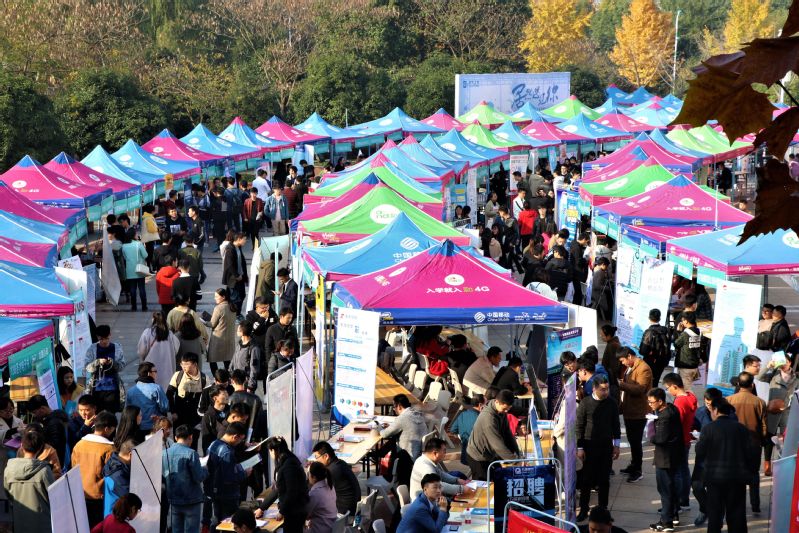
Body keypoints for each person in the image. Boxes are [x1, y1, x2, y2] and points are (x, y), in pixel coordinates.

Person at [695, 397, 757, 533]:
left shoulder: (708, 429)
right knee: (737, 514)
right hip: (737, 478)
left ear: (716, 410)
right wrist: (749, 473)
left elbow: (700, 451)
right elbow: (751, 453)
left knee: (715, 514)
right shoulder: (741, 429)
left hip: (714, 478)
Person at [576, 375, 620, 522]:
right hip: (589, 446)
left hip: (606, 446)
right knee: (586, 480)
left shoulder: (612, 403)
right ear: (594, 388)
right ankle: (584, 509)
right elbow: (579, 426)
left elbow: (616, 425)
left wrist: (616, 445)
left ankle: (603, 509)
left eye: (607, 389)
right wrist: (580, 447)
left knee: (604, 480)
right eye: (602, 389)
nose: (606, 392)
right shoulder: (585, 403)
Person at [727, 371, 766, 514]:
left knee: (734, 475)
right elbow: (763, 426)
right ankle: (755, 505)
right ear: (752, 385)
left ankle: (736, 504)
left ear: (738, 384)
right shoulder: (759, 402)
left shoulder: (729, 400)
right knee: (753, 474)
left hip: (733, 444)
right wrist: (762, 441)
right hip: (753, 444)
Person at [646, 388, 684, 532]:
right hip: (674, 455)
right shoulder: (672, 409)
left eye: (652, 402)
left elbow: (660, 439)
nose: (650, 405)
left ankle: (666, 522)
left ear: (660, 401)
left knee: (665, 489)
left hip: (665, 457)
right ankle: (673, 515)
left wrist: (650, 434)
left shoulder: (664, 417)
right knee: (671, 487)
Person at [3, 428, 55, 533]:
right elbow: (53, 496)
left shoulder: (9, 469)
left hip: (19, 519)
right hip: (42, 522)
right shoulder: (44, 470)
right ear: (40, 448)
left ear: (21, 446)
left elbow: (8, 493)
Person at [71, 411, 117, 527]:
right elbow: (111, 475)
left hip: (80, 493)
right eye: (113, 429)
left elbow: (73, 468)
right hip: (98, 496)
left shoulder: (79, 444)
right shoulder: (109, 449)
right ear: (107, 429)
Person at [257, 436, 308, 533]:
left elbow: (292, 492)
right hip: (292, 509)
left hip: (294, 511)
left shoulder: (289, 465)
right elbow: (278, 488)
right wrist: (262, 508)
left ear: (273, 450)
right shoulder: (286, 460)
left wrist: (282, 511)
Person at [465, 390, 520, 480]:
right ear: (497, 402)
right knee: (483, 485)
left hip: (490, 454)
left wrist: (518, 454)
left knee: (499, 478)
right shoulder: (488, 419)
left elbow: (508, 434)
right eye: (504, 409)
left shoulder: (501, 412)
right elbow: (497, 444)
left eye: (508, 409)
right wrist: (515, 460)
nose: (506, 411)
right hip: (478, 456)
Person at [616, 347, 652, 483]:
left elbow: (640, 389)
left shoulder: (644, 368)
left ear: (629, 356)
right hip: (629, 410)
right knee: (632, 440)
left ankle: (638, 470)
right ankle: (633, 465)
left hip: (638, 412)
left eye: (623, 360)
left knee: (636, 442)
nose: (623, 363)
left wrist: (621, 385)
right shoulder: (631, 367)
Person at [661, 373, 697, 510]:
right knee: (684, 470)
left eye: (668, 388)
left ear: (675, 386)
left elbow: (676, 422)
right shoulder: (690, 396)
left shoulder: (680, 402)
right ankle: (684, 500)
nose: (668, 391)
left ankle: (678, 503)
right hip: (686, 439)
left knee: (677, 473)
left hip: (679, 441)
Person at [163, 424, 207, 533]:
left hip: (174, 498)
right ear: (190, 437)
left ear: (175, 437)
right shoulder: (191, 453)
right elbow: (198, 477)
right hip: (191, 499)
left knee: (176, 530)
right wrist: (205, 469)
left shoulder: (164, 453)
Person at [757, 356, 796, 475]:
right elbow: (759, 376)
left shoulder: (796, 377)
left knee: (785, 439)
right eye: (781, 361)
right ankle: (767, 464)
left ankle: (783, 465)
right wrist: (768, 366)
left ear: (790, 362)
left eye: (786, 361)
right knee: (769, 438)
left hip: (787, 412)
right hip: (772, 410)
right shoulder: (774, 374)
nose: (784, 364)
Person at [205, 422, 248, 529]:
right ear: (235, 437)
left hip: (214, 490)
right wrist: (244, 473)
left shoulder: (213, 444)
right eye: (241, 439)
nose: (240, 442)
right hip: (228, 495)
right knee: (228, 525)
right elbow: (229, 477)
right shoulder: (227, 452)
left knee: (217, 522)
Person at [310, 441, 361, 516]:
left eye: (316, 457)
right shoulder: (340, 463)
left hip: (345, 511)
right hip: (353, 505)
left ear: (326, 456)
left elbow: (317, 490)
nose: (316, 460)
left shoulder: (331, 471)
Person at [167, 352, 207, 444]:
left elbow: (206, 399)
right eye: (182, 364)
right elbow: (169, 394)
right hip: (179, 416)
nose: (183, 367)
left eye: (186, 364)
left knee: (193, 441)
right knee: (178, 441)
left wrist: (202, 416)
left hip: (195, 417)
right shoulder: (178, 375)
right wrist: (173, 412)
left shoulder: (204, 378)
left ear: (195, 364)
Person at [85, 324, 126, 414]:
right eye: (101, 339)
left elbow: (122, 365)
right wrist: (98, 362)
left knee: (110, 415)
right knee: (98, 415)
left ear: (110, 335)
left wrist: (112, 363)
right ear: (97, 337)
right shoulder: (92, 349)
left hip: (112, 388)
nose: (104, 341)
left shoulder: (117, 348)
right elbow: (87, 367)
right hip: (97, 388)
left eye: (106, 338)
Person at [126, 362, 169, 442]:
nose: (156, 373)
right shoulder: (156, 388)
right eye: (155, 371)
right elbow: (165, 407)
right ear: (149, 373)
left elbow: (127, 410)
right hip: (153, 427)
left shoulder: (130, 391)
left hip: (136, 428)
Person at [137, 312, 180, 391]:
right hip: (168, 369)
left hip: (150, 368)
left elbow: (141, 351)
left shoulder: (147, 332)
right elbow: (176, 348)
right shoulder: (170, 334)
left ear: (153, 319)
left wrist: (143, 359)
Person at [380, 393, 427, 460]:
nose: (393, 409)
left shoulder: (402, 418)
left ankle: (378, 455)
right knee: (394, 436)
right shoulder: (418, 414)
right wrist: (391, 426)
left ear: (399, 406)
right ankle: (379, 454)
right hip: (419, 454)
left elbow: (384, 434)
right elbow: (407, 426)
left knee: (394, 438)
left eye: (394, 406)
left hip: (407, 457)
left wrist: (378, 428)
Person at [25, 394, 69, 466]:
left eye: (35, 412)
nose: (34, 415)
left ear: (42, 408)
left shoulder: (55, 423)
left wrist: (35, 438)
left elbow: (54, 444)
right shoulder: (45, 419)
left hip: (52, 462)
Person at [673, 311, 706, 392]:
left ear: (686, 321)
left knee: (686, 390)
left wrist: (679, 332)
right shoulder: (698, 332)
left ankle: (691, 400)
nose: (682, 322)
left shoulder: (686, 333)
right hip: (694, 364)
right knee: (687, 387)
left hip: (685, 364)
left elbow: (676, 344)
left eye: (683, 320)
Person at [638, 309, 671, 387]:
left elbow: (643, 350)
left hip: (651, 361)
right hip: (663, 360)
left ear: (649, 318)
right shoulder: (666, 330)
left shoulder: (649, 332)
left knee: (649, 383)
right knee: (656, 381)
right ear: (660, 318)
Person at [208, 288, 237, 374]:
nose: (215, 298)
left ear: (223, 297)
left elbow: (212, 324)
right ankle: (228, 378)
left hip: (218, 339)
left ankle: (217, 378)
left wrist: (204, 321)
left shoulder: (219, 308)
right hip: (229, 338)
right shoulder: (232, 306)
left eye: (217, 296)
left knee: (212, 360)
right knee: (227, 360)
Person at [448, 395, 483, 465]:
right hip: (478, 457)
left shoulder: (462, 414)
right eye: (486, 404)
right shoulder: (482, 417)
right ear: (480, 405)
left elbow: (453, 430)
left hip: (465, 455)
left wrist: (461, 435)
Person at [304, 461, 338, 533]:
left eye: (309, 473)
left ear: (314, 477)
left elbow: (305, 515)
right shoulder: (330, 486)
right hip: (331, 526)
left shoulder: (315, 493)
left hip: (321, 529)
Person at [229, 369, 264, 436]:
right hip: (254, 434)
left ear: (232, 381)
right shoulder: (256, 399)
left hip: (235, 435)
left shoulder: (229, 399)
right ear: (246, 380)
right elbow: (260, 418)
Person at [231, 321, 261, 393]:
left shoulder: (254, 348)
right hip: (236, 381)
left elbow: (254, 368)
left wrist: (250, 386)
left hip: (246, 383)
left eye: (238, 330)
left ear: (243, 332)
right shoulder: (239, 344)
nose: (237, 331)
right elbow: (234, 360)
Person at [121, 232, 149, 311]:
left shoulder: (124, 246)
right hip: (139, 270)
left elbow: (125, 257)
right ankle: (144, 306)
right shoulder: (139, 244)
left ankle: (134, 306)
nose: (137, 235)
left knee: (132, 289)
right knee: (142, 288)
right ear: (133, 235)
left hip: (130, 270)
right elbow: (145, 255)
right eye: (136, 234)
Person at [102, 439, 133, 507]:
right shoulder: (118, 475)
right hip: (117, 511)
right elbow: (130, 498)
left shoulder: (113, 461)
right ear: (131, 455)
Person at [222, 232, 249, 312]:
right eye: (244, 239)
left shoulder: (238, 248)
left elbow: (242, 263)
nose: (245, 241)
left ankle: (237, 313)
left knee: (242, 295)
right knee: (235, 298)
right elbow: (230, 265)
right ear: (239, 239)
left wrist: (244, 276)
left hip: (240, 277)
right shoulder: (230, 249)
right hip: (233, 279)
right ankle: (234, 314)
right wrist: (237, 276)